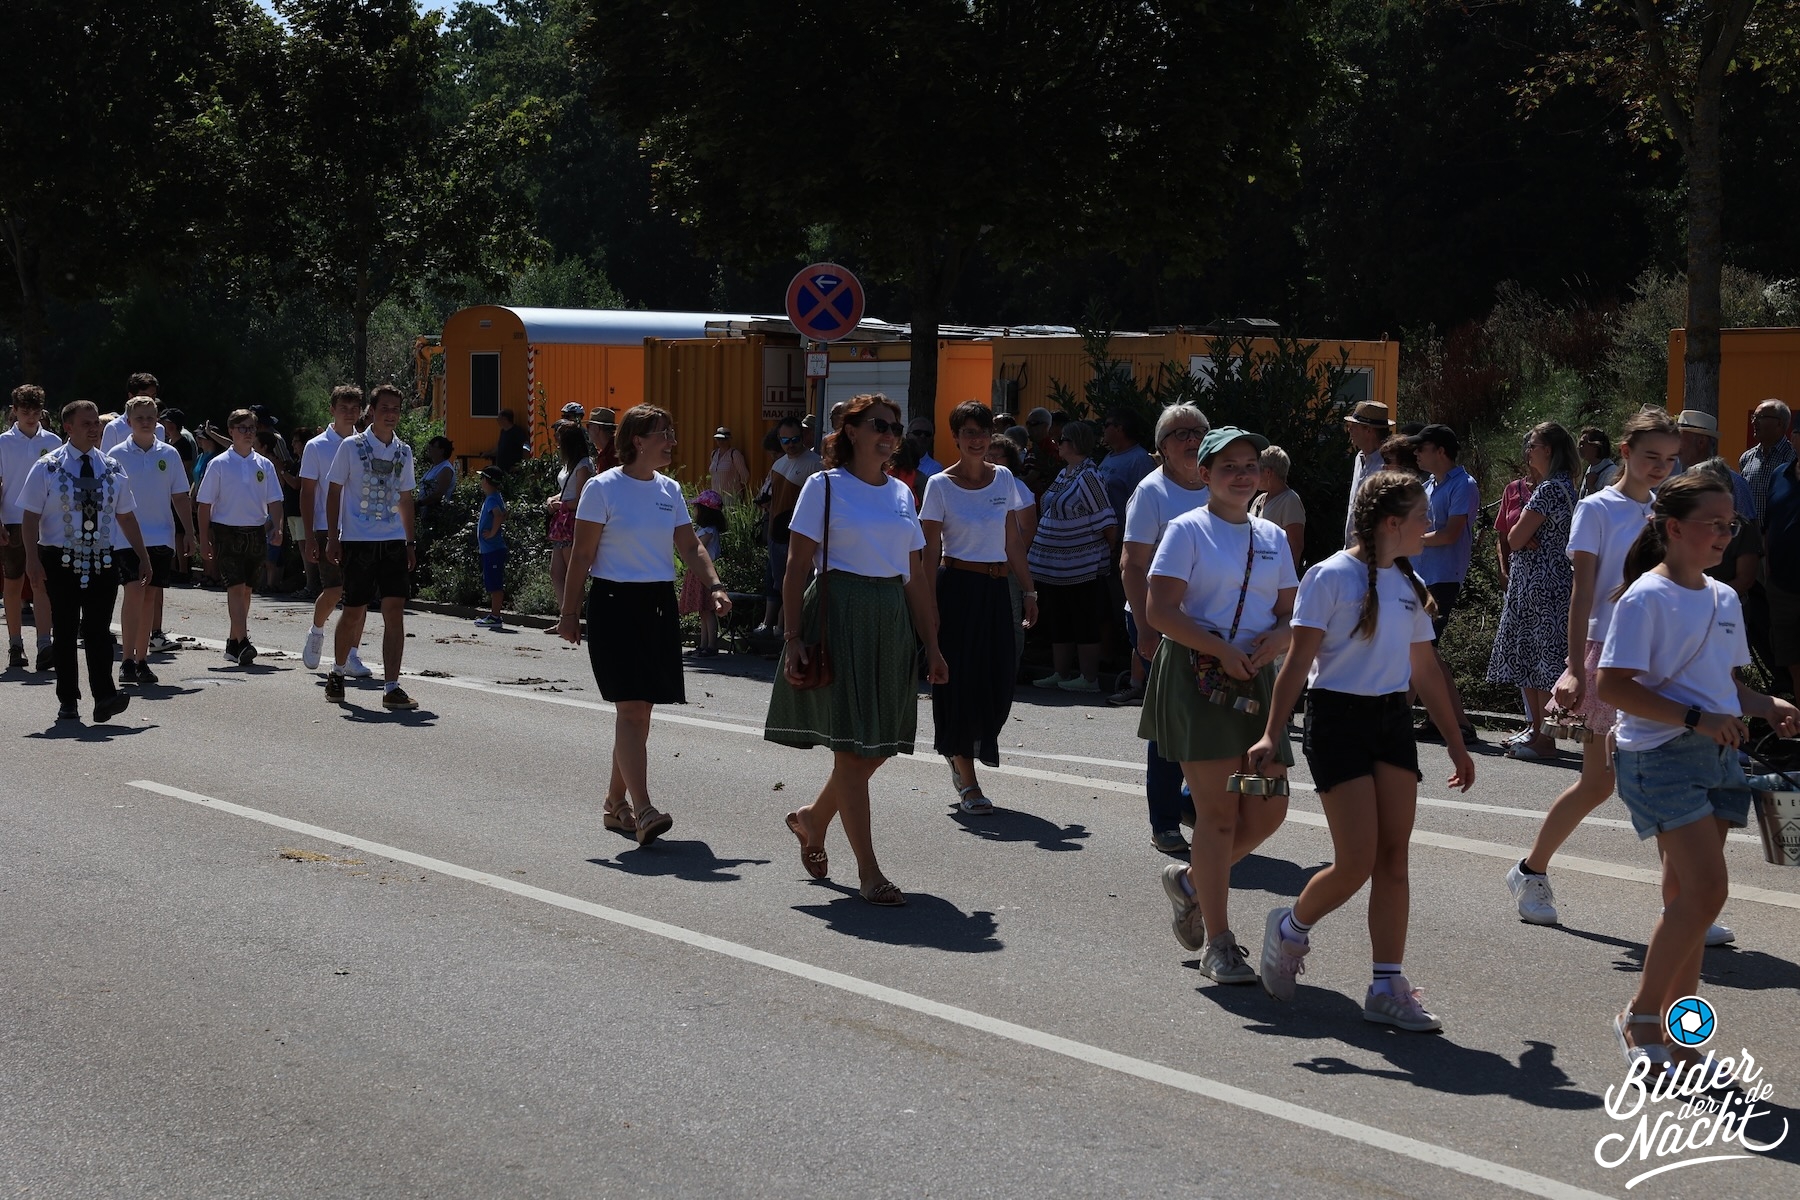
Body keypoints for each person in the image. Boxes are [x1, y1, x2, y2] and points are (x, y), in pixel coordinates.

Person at [1249, 471, 1474, 1029]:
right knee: (1355, 861)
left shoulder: (1409, 582)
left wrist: (1456, 743)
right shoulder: (1329, 576)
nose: (1429, 526)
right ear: (1393, 523)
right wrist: (1271, 732)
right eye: (1422, 517)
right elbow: (1297, 663)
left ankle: (1386, 985)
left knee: (1394, 858)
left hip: (1391, 722)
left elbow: (1425, 670)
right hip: (1337, 722)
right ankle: (1290, 929)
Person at [1596, 471, 1799, 1072]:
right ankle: (1639, 1017)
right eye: (1713, 524)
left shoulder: (1724, 598)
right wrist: (1698, 718)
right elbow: (1613, 686)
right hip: (1659, 757)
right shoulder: (1644, 598)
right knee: (1707, 891)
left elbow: (1723, 686)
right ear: (1674, 528)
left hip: (1717, 756)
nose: (1725, 534)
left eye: (1730, 524)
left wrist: (1767, 704)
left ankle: (1679, 1033)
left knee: (1687, 898)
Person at [767, 394, 945, 906]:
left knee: (881, 744)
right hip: (839, 614)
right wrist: (792, 637)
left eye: (895, 428)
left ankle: (813, 817)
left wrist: (932, 644)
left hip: (890, 619)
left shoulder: (902, 492)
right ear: (851, 431)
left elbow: (915, 577)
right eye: (879, 426)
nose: (889, 435)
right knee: (851, 750)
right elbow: (796, 567)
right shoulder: (824, 486)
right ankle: (870, 872)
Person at [1505, 410, 1683, 922]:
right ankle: (1530, 871)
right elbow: (1581, 592)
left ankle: (1682, 904)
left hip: (1655, 654)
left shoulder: (1666, 510)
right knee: (1598, 783)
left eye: (1670, 459)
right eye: (1651, 456)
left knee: (1661, 778)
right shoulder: (1596, 508)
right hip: (1606, 652)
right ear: (1625, 452)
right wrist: (1574, 666)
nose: (1661, 467)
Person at [1145, 427, 1299, 984]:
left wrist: (1279, 638)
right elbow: (1160, 611)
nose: (1241, 474)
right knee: (1218, 814)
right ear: (1204, 474)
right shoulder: (1187, 529)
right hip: (1199, 677)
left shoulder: (1272, 536)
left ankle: (1191, 882)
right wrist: (1221, 650)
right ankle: (1219, 944)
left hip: (1255, 682)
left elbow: (1290, 613)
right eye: (1228, 465)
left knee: (1269, 808)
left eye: (1249, 465)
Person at [560, 405, 728, 845]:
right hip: (614, 603)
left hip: (657, 604)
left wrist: (714, 585)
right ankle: (644, 808)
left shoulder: (669, 489)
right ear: (638, 440)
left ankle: (615, 803)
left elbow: (690, 547)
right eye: (663, 434)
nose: (672, 441)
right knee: (632, 710)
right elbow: (582, 554)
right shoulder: (602, 487)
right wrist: (568, 612)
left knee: (641, 711)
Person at [920, 401, 1038, 813]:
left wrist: (1029, 591)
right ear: (955, 437)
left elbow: (1012, 540)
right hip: (956, 588)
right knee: (960, 683)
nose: (976, 439)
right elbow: (929, 551)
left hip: (996, 588)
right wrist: (929, 605)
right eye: (968, 432)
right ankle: (965, 772)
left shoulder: (1003, 478)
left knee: (1000, 679)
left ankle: (964, 749)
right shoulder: (939, 485)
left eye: (983, 432)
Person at [18, 400, 151, 722]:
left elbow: (126, 515)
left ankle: (104, 696)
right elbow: (30, 516)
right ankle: (68, 699)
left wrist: (142, 555)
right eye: (86, 424)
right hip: (59, 558)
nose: (94, 429)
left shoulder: (112, 467)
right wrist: (32, 559)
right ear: (68, 428)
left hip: (102, 558)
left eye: (96, 423)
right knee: (65, 630)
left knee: (98, 631)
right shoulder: (48, 466)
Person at [1121, 405, 1211, 853]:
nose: (1191, 439)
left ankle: (1191, 801)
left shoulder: (1219, 485)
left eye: (1198, 431)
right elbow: (1132, 566)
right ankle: (1166, 821)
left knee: (1215, 719)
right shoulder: (1151, 492)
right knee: (1170, 725)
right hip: (1160, 622)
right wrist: (1145, 627)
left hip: (1211, 624)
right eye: (1180, 433)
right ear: (1162, 447)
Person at [1486, 421, 1579, 760]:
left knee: (1539, 661)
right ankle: (1540, 734)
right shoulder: (1567, 487)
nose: (1528, 451)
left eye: (1533, 445)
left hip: (1539, 586)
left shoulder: (1549, 489)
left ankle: (1544, 740)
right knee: (1538, 660)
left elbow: (1514, 538)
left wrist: (1522, 536)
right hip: (1551, 583)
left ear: (1548, 450)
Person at [323, 385, 419, 709]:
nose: (391, 414)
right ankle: (337, 672)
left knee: (395, 612)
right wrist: (332, 537)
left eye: (396, 409)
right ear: (372, 412)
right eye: (385, 408)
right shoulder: (351, 447)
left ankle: (391, 686)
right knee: (353, 611)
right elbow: (334, 491)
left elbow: (406, 498)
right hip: (358, 541)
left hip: (392, 542)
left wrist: (409, 541)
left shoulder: (403, 452)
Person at [1026, 420, 1116, 692]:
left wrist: (1109, 553)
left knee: (1083, 619)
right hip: (1055, 566)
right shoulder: (1066, 472)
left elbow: (1107, 520)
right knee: (1060, 619)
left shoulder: (1089, 476)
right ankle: (1061, 673)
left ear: (1075, 443)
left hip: (1081, 565)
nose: (1056, 442)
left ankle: (1089, 678)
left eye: (1062, 439)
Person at [112, 396, 192, 686]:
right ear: (129, 421)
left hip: (160, 535)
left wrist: (190, 533)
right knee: (133, 592)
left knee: (149, 598)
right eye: (139, 418)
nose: (145, 422)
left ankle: (141, 659)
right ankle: (126, 660)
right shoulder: (116, 454)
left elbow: (180, 495)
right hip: (126, 536)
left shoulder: (169, 454)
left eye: (150, 417)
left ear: (157, 419)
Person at [196, 409, 284, 665]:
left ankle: (234, 643)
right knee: (235, 586)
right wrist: (204, 538)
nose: (248, 433)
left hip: (255, 531)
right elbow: (204, 504)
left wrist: (278, 527)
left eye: (251, 428)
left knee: (246, 590)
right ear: (231, 431)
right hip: (226, 531)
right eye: (242, 428)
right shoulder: (219, 463)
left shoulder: (264, 464)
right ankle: (244, 641)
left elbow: (275, 500)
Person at [1413, 423, 1480, 743]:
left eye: (1421, 448)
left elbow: (1451, 533)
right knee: (1425, 651)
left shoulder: (1464, 485)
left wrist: (1411, 539)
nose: (1416, 453)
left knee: (1423, 649)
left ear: (1440, 451)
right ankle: (1444, 721)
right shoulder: (1427, 486)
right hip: (1420, 577)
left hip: (1443, 578)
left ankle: (1458, 724)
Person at [299, 387, 371, 676]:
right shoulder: (316, 446)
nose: (349, 413)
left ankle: (351, 655)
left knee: (359, 595)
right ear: (332, 409)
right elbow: (307, 492)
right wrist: (308, 537)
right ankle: (317, 631)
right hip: (325, 527)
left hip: (360, 529)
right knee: (334, 591)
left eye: (354, 408)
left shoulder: (366, 444)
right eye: (344, 407)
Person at [1, 384, 62, 671]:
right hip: (12, 520)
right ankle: (15, 643)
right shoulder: (3, 442)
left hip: (45, 521)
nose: (30, 416)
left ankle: (44, 644)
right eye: (24, 411)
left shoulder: (53, 441)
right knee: (12, 583)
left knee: (42, 583)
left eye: (36, 411)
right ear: (14, 410)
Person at [756, 417, 822, 636]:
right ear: (779, 439)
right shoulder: (778, 464)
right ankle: (781, 631)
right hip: (777, 536)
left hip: (800, 537)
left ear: (803, 437)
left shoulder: (815, 464)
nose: (791, 444)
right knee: (780, 585)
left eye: (795, 439)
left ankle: (787, 631)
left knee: (799, 585)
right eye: (785, 440)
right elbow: (767, 497)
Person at [1761, 412, 1800, 698]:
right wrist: (1768, 569)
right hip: (1782, 589)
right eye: (1797, 433)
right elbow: (1769, 524)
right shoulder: (1779, 475)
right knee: (1792, 661)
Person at [544, 423, 594, 616]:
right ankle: (564, 615)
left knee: (573, 574)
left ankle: (572, 616)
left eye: (559, 438)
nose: (556, 442)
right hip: (561, 520)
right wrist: (553, 499)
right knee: (556, 573)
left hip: (572, 521)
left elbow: (581, 499)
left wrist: (560, 505)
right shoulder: (569, 464)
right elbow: (566, 491)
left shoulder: (584, 465)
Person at [1675, 409, 1755, 517]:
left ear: (1701, 442)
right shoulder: (1679, 480)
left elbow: (1748, 524)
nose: (1676, 445)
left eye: (1680, 439)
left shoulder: (1735, 484)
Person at [681, 490, 729, 656]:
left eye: (697, 508)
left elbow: (698, 547)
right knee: (703, 610)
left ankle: (711, 645)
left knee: (708, 609)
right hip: (697, 570)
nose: (694, 511)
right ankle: (703, 644)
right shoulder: (704, 529)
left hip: (704, 571)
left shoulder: (708, 531)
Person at [1250, 444, 1305, 574]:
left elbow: (1296, 546)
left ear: (1268, 473)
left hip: (1274, 576)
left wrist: (1286, 578)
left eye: (1257, 470)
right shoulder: (1259, 500)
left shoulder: (1290, 500)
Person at [1342, 401, 1391, 545]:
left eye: (1353, 426)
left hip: (1375, 552)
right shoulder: (1359, 458)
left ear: (1369, 430)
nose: (1349, 430)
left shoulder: (1389, 464)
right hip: (1353, 549)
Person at [1738, 398, 1794, 523]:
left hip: (1781, 533)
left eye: (1760, 417)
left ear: (1779, 423)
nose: (1753, 422)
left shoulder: (1793, 458)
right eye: (1753, 417)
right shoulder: (1746, 458)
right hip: (1750, 533)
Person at [474, 466, 508, 630]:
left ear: (487, 481)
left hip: (493, 549)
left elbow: (499, 514)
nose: (480, 482)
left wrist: (493, 532)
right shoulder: (495, 497)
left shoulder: (492, 499)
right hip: (491, 550)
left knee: (495, 584)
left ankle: (495, 616)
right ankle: (494, 615)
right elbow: (504, 513)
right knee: (492, 582)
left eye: (482, 478)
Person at [101, 373, 162, 452]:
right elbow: (105, 458)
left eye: (153, 396)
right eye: (144, 396)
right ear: (131, 396)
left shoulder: (159, 429)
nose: (149, 400)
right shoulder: (114, 428)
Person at [416, 436, 457, 518]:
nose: (429, 448)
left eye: (432, 446)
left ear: (442, 451)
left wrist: (418, 504)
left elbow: (439, 494)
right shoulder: (434, 467)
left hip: (436, 514)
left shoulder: (445, 469)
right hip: (425, 512)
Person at [708, 426, 750, 500]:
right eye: (718, 439)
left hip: (730, 496)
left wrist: (736, 489)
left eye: (724, 439)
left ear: (729, 439)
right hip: (715, 496)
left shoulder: (734, 454)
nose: (721, 442)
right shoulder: (714, 454)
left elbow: (745, 475)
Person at [1577, 427, 1619, 497]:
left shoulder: (1612, 473)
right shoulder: (1591, 468)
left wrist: (1591, 487)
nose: (1579, 447)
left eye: (1583, 444)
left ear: (1596, 446)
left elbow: (1611, 501)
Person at [905, 416, 943, 485]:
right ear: (907, 436)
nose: (922, 436)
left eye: (927, 434)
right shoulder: (893, 462)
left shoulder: (935, 468)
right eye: (917, 433)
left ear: (931, 439)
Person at [588, 407, 621, 474]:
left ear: (596, 428)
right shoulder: (609, 450)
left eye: (588, 426)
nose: (588, 430)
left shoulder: (613, 454)